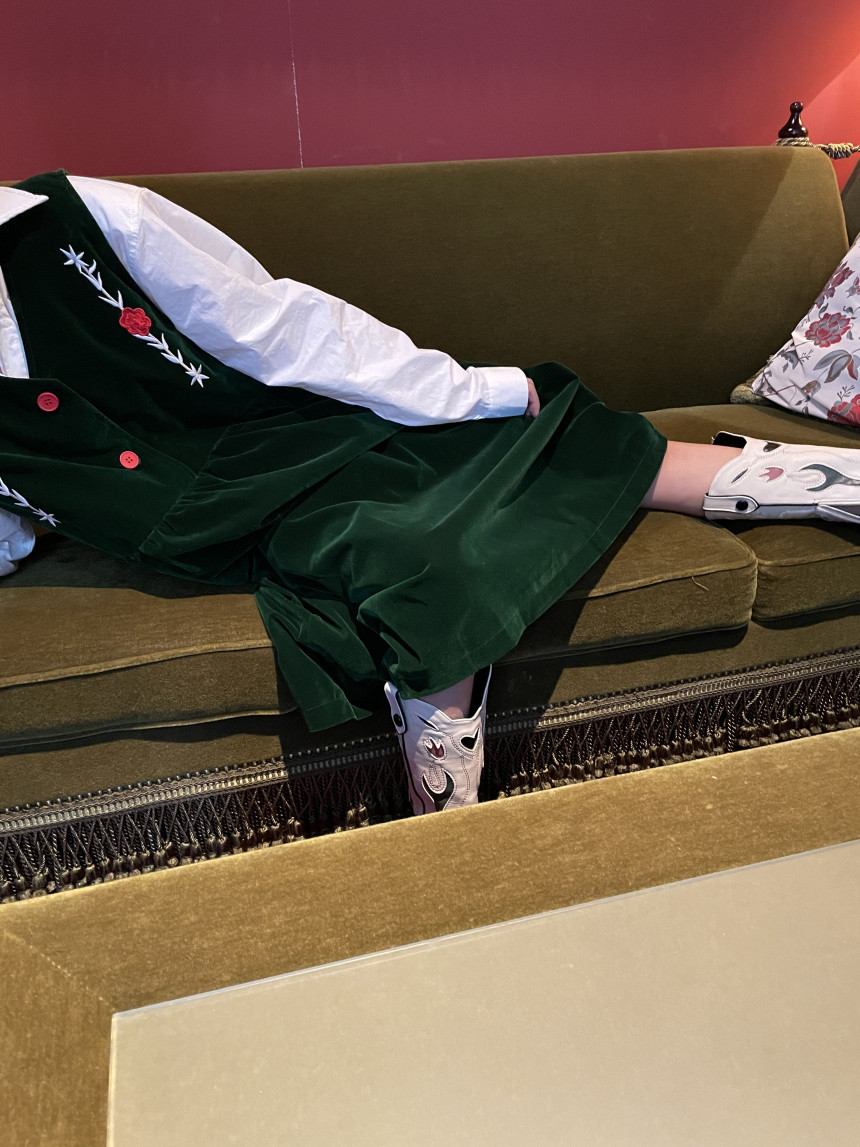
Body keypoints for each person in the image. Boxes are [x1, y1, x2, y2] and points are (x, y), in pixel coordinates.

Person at [2, 171, 859, 817]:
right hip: (213, 526)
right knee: (407, 562)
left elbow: (284, 328)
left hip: (296, 435)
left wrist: (474, 390)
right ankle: (449, 830)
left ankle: (836, 484)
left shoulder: (86, 217)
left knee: (550, 431)